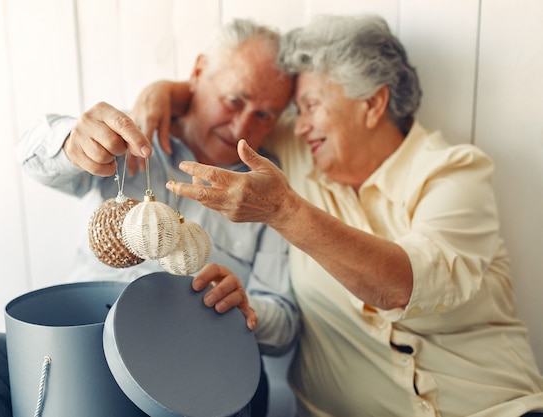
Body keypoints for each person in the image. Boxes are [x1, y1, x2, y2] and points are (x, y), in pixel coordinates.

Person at [143, 14, 543, 417]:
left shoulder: (454, 173)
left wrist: (286, 212)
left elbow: (400, 287)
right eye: (295, 111)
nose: (298, 127)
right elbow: (226, 105)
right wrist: (164, 92)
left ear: (372, 104)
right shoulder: (297, 155)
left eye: (311, 106)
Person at [0, 19, 299, 417]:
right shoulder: (128, 135)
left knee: (247, 383)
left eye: (265, 115)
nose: (242, 125)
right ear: (196, 73)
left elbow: (284, 318)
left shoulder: (268, 191)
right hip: (82, 344)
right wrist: (72, 142)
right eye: (233, 100)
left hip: (185, 362)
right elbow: (31, 155)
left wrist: (247, 310)